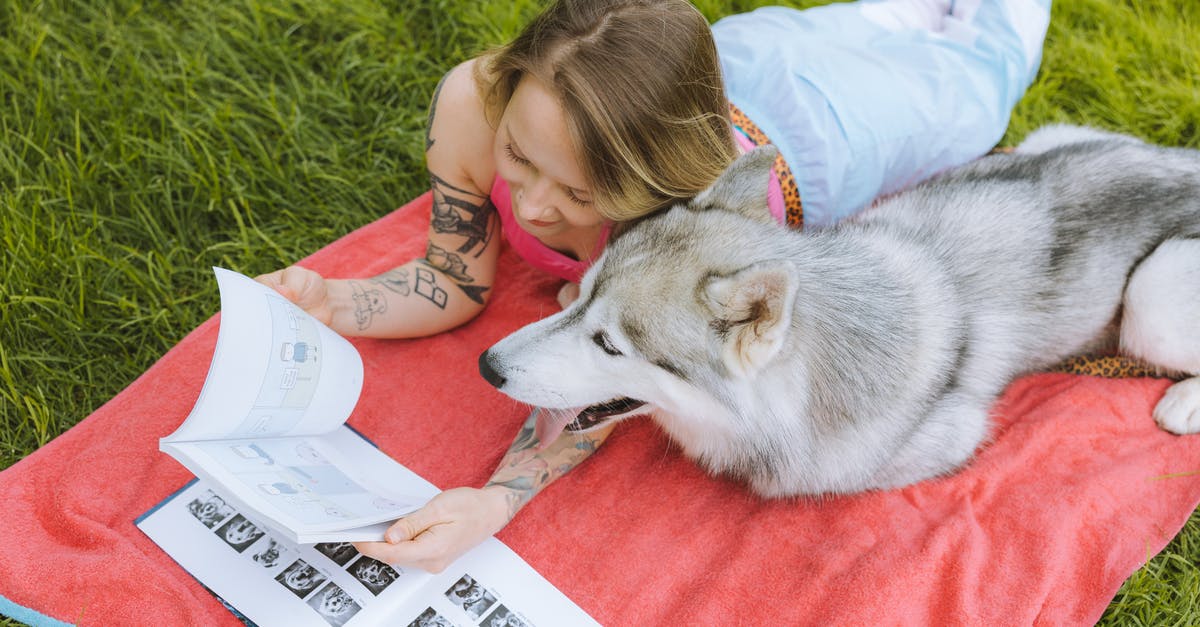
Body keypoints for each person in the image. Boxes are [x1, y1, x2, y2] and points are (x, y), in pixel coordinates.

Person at [256, 0, 1051, 572]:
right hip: (738, 61)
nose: (531, 205)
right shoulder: (472, 101)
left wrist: (495, 499)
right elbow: (452, 277)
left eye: (580, 194)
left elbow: (609, 381)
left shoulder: (671, 233)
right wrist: (336, 302)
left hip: (833, 133)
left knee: (978, 70)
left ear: (650, 190)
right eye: (519, 156)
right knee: (865, 22)